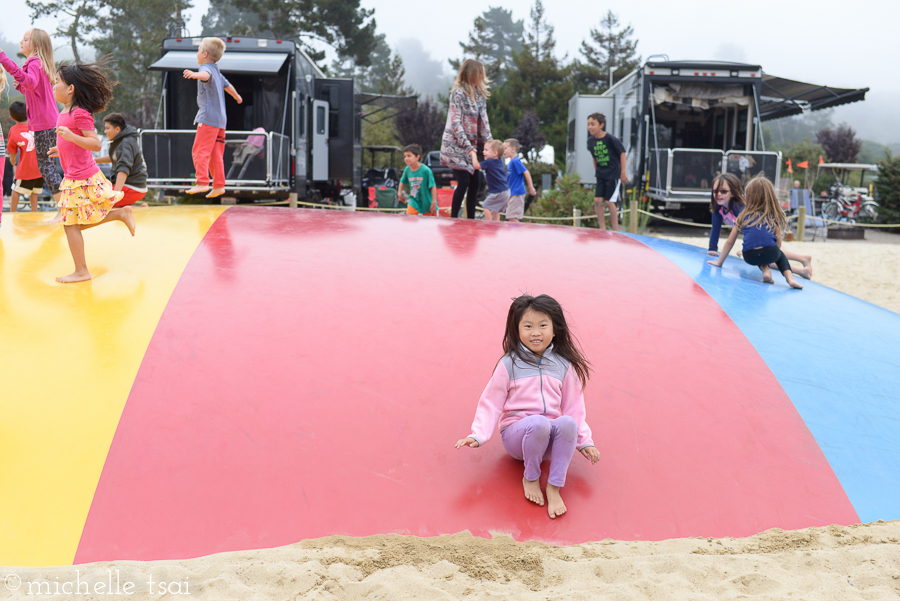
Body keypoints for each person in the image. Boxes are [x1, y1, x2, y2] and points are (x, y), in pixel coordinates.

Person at [455, 294, 602, 519]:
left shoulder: (564, 365)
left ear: (554, 330)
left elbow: (574, 408)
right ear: (517, 330)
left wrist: (585, 442)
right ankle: (531, 477)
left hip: (548, 439)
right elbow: (491, 402)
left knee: (567, 422)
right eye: (528, 326)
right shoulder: (509, 364)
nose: (536, 332)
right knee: (539, 422)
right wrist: (478, 435)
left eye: (543, 325)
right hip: (517, 437)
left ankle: (554, 486)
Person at [49, 60, 135, 284]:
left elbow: (95, 144)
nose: (53, 85)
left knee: (70, 224)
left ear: (70, 88)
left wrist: (70, 137)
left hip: (83, 177)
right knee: (73, 223)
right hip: (74, 176)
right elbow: (75, 141)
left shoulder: (79, 113)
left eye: (57, 82)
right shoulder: (65, 112)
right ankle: (120, 214)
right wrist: (62, 148)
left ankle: (81, 271)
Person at [0, 28, 63, 222]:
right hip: (49, 123)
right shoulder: (38, 63)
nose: (21, 41)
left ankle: (64, 209)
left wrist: (3, 57)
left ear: (35, 45)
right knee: (48, 166)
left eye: (25, 39)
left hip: (45, 124)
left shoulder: (35, 63)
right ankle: (65, 207)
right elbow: (29, 85)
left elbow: (29, 81)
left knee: (46, 167)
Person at [707, 176, 804, 289]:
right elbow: (778, 241)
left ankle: (766, 271)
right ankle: (790, 279)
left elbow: (730, 242)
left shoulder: (742, 216)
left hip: (749, 256)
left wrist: (719, 263)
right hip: (770, 252)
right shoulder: (773, 216)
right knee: (778, 255)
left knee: (758, 252)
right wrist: (774, 255)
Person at [182, 37, 242, 198]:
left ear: (205, 54)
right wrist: (237, 96)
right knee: (215, 154)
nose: (197, 53)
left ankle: (201, 182)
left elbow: (205, 75)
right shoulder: (217, 70)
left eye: (198, 50)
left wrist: (194, 74)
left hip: (208, 119)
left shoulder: (207, 69)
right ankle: (219, 185)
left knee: (200, 151)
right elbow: (227, 85)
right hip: (221, 121)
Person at [440, 59, 492, 219]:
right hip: (456, 145)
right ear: (473, 74)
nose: (483, 77)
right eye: (480, 74)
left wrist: (490, 144)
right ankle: (454, 219)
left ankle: (470, 220)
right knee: (464, 182)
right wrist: (467, 146)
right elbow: (455, 122)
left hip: (473, 147)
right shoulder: (458, 93)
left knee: (476, 183)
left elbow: (483, 122)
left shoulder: (480, 95)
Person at [96, 113, 149, 207]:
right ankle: (140, 208)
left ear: (117, 129)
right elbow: (114, 157)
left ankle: (134, 210)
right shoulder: (123, 140)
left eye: (107, 128)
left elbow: (123, 169)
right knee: (101, 199)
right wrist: (94, 161)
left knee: (101, 204)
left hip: (133, 187)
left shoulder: (125, 143)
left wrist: (115, 195)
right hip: (134, 185)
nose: (105, 131)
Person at [586, 113, 626, 231]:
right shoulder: (590, 141)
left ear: (601, 125)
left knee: (609, 202)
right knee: (597, 200)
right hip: (601, 174)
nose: (590, 127)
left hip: (613, 173)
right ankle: (602, 228)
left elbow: (622, 153)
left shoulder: (611, 139)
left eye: (593, 124)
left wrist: (623, 173)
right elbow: (594, 157)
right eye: (588, 125)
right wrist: (597, 171)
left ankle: (615, 228)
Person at [6, 101, 44, 213]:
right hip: (40, 167)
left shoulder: (14, 130)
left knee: (15, 189)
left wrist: (12, 161)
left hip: (26, 168)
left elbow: (12, 150)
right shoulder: (37, 125)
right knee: (34, 191)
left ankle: (12, 212)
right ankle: (34, 212)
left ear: (11, 117)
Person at [397, 144, 437, 216]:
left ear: (417, 157)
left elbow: (433, 186)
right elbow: (402, 181)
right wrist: (399, 193)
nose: (406, 158)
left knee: (430, 224)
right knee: (409, 219)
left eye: (409, 156)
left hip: (427, 201)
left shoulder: (426, 170)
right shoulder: (407, 170)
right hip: (414, 201)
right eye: (405, 156)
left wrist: (434, 202)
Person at [503, 139, 537, 223]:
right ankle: (515, 233)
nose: (503, 150)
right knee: (510, 216)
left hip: (517, 193)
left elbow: (526, 172)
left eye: (505, 148)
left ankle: (518, 234)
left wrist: (531, 187)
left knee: (512, 216)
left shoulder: (515, 161)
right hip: (514, 192)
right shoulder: (512, 162)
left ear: (513, 149)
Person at [480, 140, 510, 221]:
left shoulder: (489, 162)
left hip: (499, 192)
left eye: (486, 150)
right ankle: (497, 224)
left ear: (494, 153)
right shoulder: (499, 161)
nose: (483, 152)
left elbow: (476, 166)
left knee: (486, 206)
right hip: (506, 191)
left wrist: (473, 155)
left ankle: (489, 224)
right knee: (495, 209)